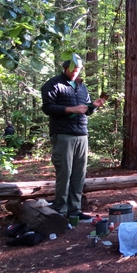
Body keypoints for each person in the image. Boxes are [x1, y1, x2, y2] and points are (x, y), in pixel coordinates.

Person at [41, 55, 106, 220]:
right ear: (65, 67)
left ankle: (75, 210)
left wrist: (94, 106)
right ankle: (60, 210)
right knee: (65, 172)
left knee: (79, 173)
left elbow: (86, 109)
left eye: (78, 70)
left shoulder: (81, 86)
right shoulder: (53, 84)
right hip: (63, 134)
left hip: (81, 134)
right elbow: (48, 107)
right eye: (73, 70)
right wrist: (71, 109)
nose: (75, 73)